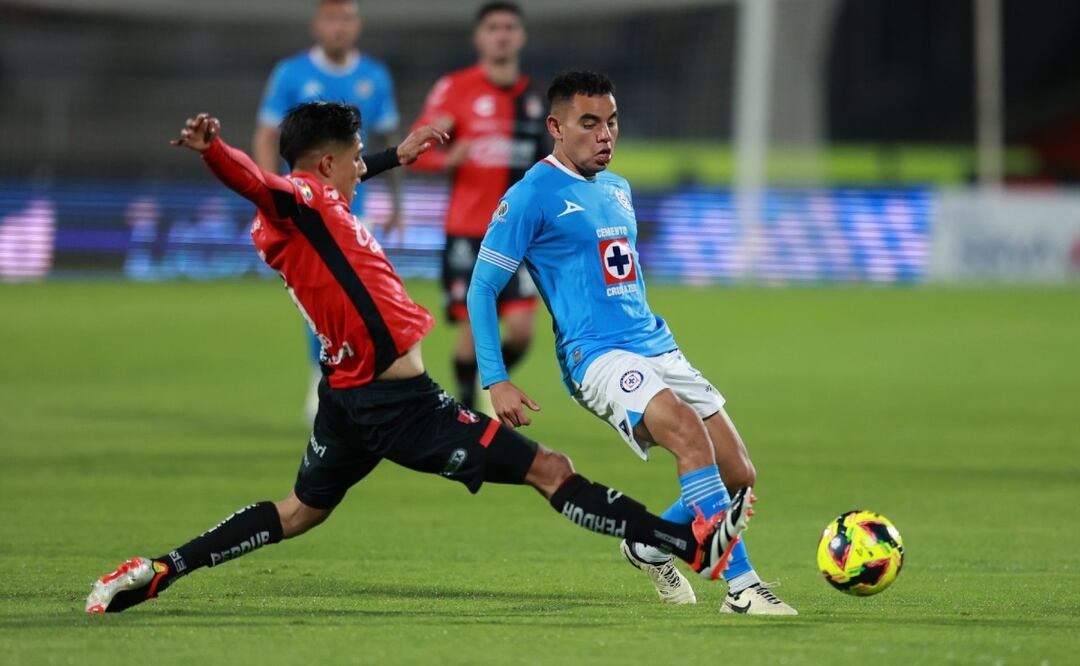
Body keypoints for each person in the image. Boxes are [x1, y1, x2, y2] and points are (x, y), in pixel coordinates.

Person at [83, 103, 752, 614]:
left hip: (346, 397)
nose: (356, 174)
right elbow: (263, 183)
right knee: (551, 469)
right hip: (399, 406)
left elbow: (318, 182)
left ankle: (162, 568)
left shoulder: (318, 204)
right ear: (322, 168)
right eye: (350, 163)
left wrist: (393, 156)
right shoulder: (305, 201)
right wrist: (215, 152)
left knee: (299, 511)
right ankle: (682, 543)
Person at [467, 71, 796, 615]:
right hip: (594, 355)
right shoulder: (530, 196)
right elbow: (482, 288)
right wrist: (495, 377)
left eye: (612, 122)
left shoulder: (617, 189)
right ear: (555, 126)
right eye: (589, 123)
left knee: (738, 474)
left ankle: (648, 543)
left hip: (656, 345)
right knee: (689, 436)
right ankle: (742, 588)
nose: (605, 135)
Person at [253, 0, 403, 421]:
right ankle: (322, 381)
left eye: (348, 18)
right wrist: (271, 195)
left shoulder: (374, 76)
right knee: (321, 298)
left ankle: (353, 379)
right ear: (318, 24)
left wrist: (397, 201)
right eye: (333, 18)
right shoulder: (291, 73)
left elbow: (388, 135)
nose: (340, 27)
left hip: (357, 206)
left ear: (358, 25)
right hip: (305, 208)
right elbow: (266, 136)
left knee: (358, 296)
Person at [408, 1, 547, 412]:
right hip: (469, 230)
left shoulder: (536, 98)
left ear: (520, 36)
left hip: (521, 232)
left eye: (509, 27)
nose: (502, 34)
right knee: (472, 329)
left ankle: (494, 385)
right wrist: (445, 158)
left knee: (522, 330)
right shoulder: (455, 89)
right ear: (479, 37)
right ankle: (468, 405)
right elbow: (417, 150)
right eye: (493, 27)